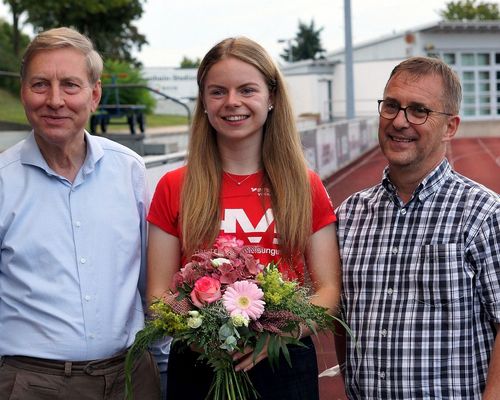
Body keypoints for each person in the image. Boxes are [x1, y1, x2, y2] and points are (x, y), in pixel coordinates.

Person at [147, 36, 341, 400]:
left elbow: (328, 291)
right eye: (218, 91)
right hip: (199, 364)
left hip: (284, 362)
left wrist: (283, 332)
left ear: (271, 98)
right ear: (203, 102)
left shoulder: (305, 185)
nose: (232, 102)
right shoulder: (174, 186)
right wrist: (201, 335)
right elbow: (158, 295)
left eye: (247, 90)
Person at [0, 27, 160, 399]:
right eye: (40, 84)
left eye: (70, 85)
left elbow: (149, 285)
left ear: (95, 94)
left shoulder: (130, 171)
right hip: (29, 384)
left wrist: (161, 367)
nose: (55, 100)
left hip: (131, 378)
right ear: (23, 92)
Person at [336, 56, 500, 399]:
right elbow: (342, 326)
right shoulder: (349, 215)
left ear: (450, 127)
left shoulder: (483, 214)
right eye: (391, 106)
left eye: (419, 111)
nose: (399, 121)